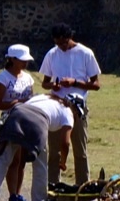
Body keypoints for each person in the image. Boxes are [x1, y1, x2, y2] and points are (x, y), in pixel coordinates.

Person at [38, 22, 101, 187]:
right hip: (56, 106)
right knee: (54, 151)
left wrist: (74, 82)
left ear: (69, 38)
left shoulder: (85, 53)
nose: (61, 47)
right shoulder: (52, 54)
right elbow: (45, 83)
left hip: (77, 106)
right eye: (57, 43)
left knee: (80, 151)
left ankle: (82, 188)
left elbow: (96, 84)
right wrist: (54, 85)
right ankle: (53, 188)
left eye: (63, 43)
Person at [0, 93, 67, 201]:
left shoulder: (44, 97)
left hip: (16, 114)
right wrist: (63, 161)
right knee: (40, 162)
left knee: (4, 156)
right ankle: (39, 200)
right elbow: (65, 142)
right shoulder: (68, 112)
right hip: (38, 121)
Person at [0, 44, 37, 198]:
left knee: (22, 159)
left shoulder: (28, 77)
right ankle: (12, 195)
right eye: (22, 60)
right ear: (12, 59)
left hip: (26, 120)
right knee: (14, 160)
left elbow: (31, 98)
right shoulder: (2, 78)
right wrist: (17, 102)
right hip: (11, 121)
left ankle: (17, 193)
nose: (25, 64)